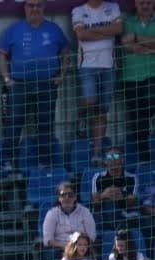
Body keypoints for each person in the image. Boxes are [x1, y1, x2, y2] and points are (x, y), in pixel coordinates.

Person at [0, 1, 73, 172]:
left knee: (45, 124)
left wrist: (62, 75)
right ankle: (6, 161)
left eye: (38, 5)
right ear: (25, 8)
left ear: (44, 8)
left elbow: (66, 52)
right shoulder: (13, 29)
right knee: (14, 123)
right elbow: (2, 55)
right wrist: (7, 79)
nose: (35, 9)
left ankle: (44, 163)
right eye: (31, 5)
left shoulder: (54, 29)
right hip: (19, 85)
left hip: (47, 84)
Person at [74, 0, 124, 161]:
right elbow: (81, 35)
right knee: (90, 99)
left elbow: (118, 29)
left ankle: (96, 153)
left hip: (109, 65)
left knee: (102, 109)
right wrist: (106, 31)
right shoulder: (79, 10)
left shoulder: (113, 7)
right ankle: (81, 117)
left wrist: (92, 30)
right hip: (87, 64)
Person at [120, 0, 155, 155]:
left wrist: (135, 37)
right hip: (131, 76)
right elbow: (126, 45)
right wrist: (149, 47)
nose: (145, 6)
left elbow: (132, 42)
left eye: (148, 2)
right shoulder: (127, 22)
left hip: (152, 74)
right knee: (136, 118)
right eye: (142, 3)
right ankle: (144, 158)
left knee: (148, 110)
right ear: (135, 4)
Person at [88, 148, 139, 238]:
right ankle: (120, 233)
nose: (112, 159)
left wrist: (120, 196)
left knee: (146, 221)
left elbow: (131, 203)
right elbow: (94, 202)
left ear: (122, 159)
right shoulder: (98, 177)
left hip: (124, 215)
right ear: (105, 161)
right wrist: (104, 195)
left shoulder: (132, 178)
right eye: (109, 157)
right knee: (108, 202)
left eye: (116, 156)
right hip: (102, 217)